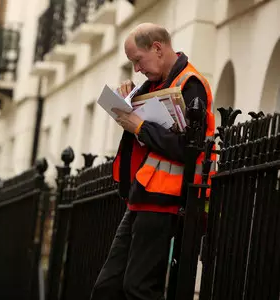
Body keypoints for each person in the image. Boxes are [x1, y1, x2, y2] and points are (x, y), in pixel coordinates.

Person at [90, 23, 216, 300]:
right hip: (143, 195)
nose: (137, 69)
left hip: (167, 200)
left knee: (139, 288)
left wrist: (140, 126)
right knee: (107, 288)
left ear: (157, 48)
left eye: (138, 60)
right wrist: (128, 103)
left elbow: (190, 149)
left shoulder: (190, 83)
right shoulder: (156, 84)